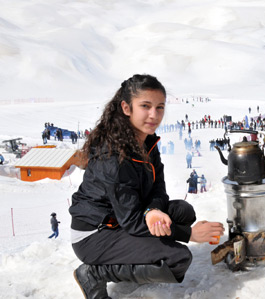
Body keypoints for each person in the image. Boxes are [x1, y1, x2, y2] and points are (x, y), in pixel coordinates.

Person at [69, 74, 224, 298]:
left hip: (123, 220)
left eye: (160, 107)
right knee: (178, 259)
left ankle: (139, 251)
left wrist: (152, 211)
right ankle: (94, 272)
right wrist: (189, 234)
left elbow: (158, 190)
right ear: (126, 107)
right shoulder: (113, 157)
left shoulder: (147, 142)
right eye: (145, 106)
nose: (154, 115)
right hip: (95, 234)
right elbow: (131, 221)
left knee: (183, 211)